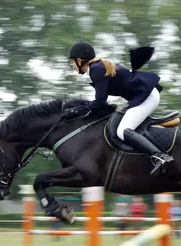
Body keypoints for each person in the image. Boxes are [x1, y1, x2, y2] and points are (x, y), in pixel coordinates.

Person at [66, 41, 174, 176]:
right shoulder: (97, 67)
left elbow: (100, 102)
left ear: (80, 60)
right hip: (144, 95)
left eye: (73, 62)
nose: (73, 66)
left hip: (146, 96)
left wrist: (77, 111)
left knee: (123, 131)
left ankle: (160, 156)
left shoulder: (96, 69)